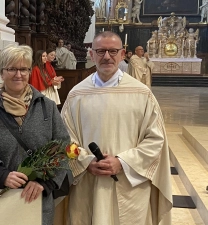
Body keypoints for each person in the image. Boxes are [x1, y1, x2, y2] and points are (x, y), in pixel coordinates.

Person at [60, 31, 172, 225]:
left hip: (129, 185)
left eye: (113, 51)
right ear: (91, 54)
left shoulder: (142, 94)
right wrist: (86, 162)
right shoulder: (76, 94)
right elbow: (64, 138)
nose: (106, 57)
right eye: (101, 51)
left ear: (122, 55)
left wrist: (123, 162)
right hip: (87, 183)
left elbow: (156, 140)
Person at [0, 44, 70, 225]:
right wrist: (1, 174)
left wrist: (46, 183)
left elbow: (64, 148)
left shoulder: (47, 108)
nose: (18, 74)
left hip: (36, 198)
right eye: (11, 69)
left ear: (29, 71)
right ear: (1, 72)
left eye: (23, 69)